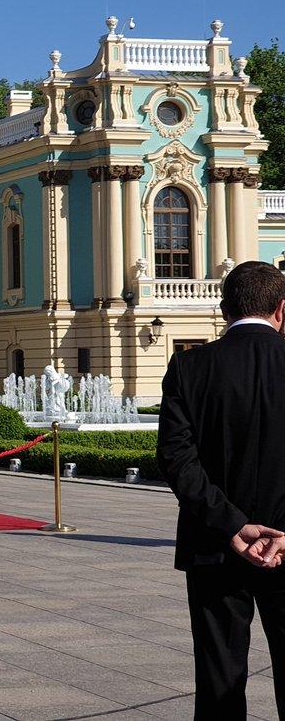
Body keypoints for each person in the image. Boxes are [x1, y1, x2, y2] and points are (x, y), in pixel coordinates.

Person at [158, 260, 285, 717]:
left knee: (219, 678)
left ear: (224, 310)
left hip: (214, 545)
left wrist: (231, 525)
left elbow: (176, 459)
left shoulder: (189, 367)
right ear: (282, 310)